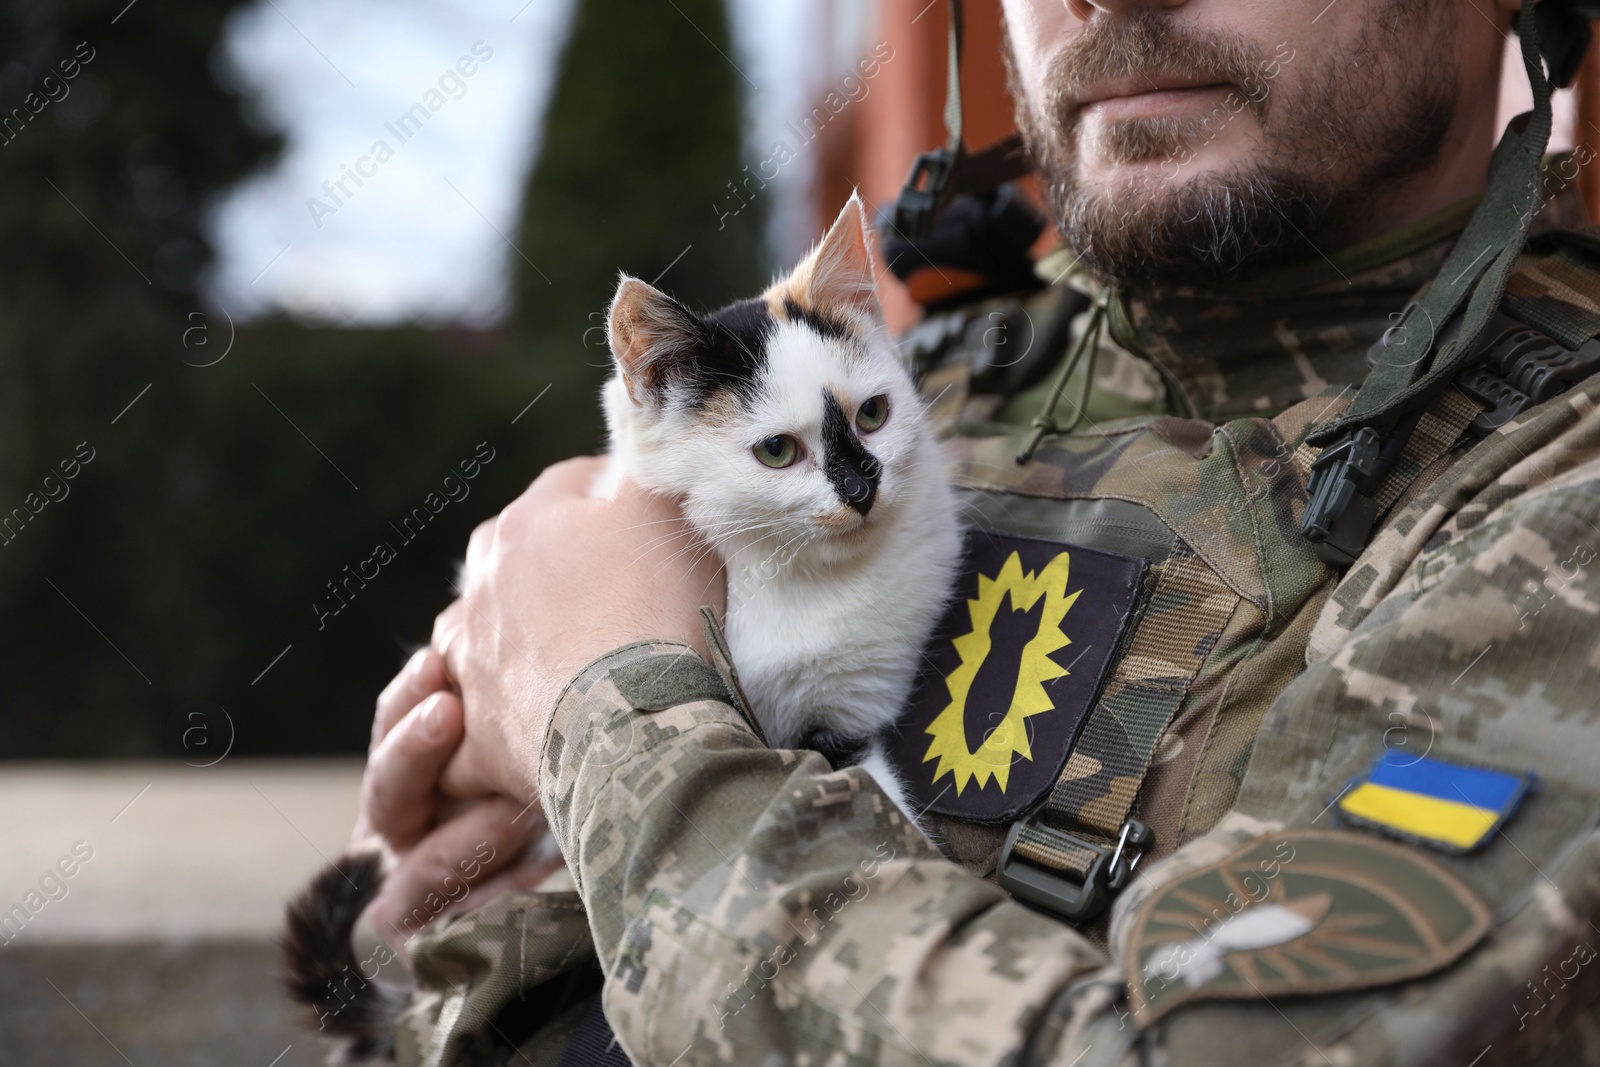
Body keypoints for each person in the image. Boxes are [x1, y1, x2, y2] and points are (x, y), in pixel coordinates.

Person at [353, 0, 1600, 1063]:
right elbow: (462, 960)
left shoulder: (1560, 484)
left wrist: (614, 734)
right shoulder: (926, 378)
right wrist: (466, 916)